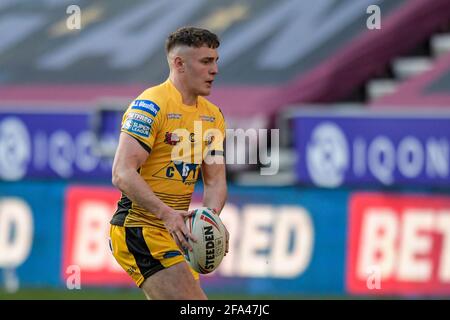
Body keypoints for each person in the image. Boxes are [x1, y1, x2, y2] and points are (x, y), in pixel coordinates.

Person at [109, 26, 228, 300]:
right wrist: (166, 214)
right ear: (179, 64)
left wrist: (209, 220)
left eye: (215, 61)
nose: (215, 70)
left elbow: (215, 180)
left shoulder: (213, 116)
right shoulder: (151, 105)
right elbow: (122, 173)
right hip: (139, 228)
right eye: (206, 61)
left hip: (177, 235)